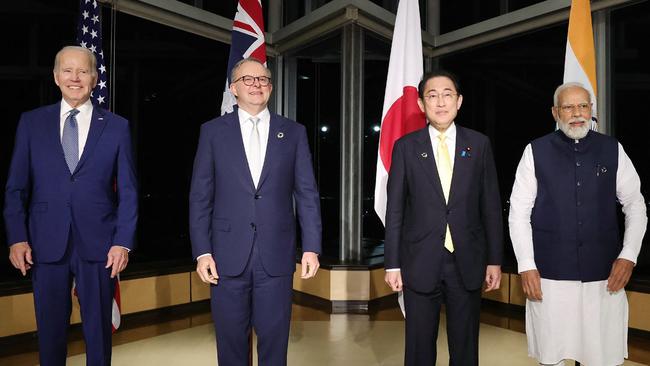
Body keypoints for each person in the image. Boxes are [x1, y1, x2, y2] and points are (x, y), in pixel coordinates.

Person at [4, 45, 137, 365]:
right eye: (67, 70)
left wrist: (123, 242)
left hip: (101, 245)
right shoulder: (31, 123)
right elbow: (15, 188)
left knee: (98, 334)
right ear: (55, 76)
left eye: (83, 71)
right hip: (45, 242)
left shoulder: (117, 126)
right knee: (49, 333)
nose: (74, 78)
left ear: (94, 78)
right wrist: (16, 237)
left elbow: (130, 191)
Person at [189, 57, 322, 366]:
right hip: (225, 256)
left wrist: (312, 247)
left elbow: (307, 194)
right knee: (231, 341)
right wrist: (202, 251)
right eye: (248, 80)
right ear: (234, 89)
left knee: (275, 342)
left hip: (276, 256)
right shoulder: (212, 132)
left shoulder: (293, 132)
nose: (256, 85)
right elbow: (200, 196)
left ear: (271, 88)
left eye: (263, 80)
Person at [509, 82, 647, 366]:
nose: (577, 113)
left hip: (604, 276)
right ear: (555, 112)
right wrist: (526, 264)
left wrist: (628, 256)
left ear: (591, 109)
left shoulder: (612, 149)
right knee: (552, 355)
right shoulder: (535, 151)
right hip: (549, 276)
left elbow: (636, 204)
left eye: (583, 105)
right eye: (568, 107)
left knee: (600, 357)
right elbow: (518, 212)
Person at [384, 70, 503, 365]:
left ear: (459, 101)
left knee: (465, 348)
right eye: (432, 95)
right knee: (419, 348)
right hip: (419, 261)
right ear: (422, 104)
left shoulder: (479, 145)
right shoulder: (406, 147)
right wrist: (392, 264)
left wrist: (495, 260)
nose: (440, 102)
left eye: (447, 94)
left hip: (467, 261)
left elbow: (490, 206)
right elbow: (395, 209)